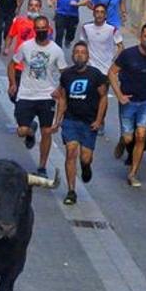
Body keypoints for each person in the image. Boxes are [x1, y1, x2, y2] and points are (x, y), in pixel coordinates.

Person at [108, 23, 146, 188]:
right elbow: (112, 72)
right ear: (140, 37)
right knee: (129, 137)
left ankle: (133, 173)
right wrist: (119, 95)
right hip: (128, 101)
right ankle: (123, 140)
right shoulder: (128, 55)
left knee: (141, 135)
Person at [7, 16, 67, 178]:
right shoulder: (26, 47)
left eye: (44, 29)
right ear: (35, 29)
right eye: (38, 29)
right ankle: (30, 130)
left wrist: (59, 90)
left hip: (46, 95)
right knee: (21, 131)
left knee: (47, 132)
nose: (41, 31)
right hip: (26, 94)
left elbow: (65, 74)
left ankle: (42, 167)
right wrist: (12, 83)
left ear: (48, 29)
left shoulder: (56, 51)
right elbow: (12, 64)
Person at [52, 42, 108, 205]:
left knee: (85, 157)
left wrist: (99, 120)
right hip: (71, 120)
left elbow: (103, 98)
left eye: (83, 52)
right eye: (76, 52)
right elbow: (62, 98)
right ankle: (71, 191)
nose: (79, 55)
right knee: (70, 152)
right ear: (72, 55)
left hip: (89, 122)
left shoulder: (96, 75)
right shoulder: (67, 75)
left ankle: (86, 166)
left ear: (88, 56)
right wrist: (58, 121)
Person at [78, 3, 123, 78]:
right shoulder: (86, 28)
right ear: (93, 13)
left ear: (105, 15)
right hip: (90, 66)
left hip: (106, 68)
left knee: (103, 89)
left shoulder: (112, 29)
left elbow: (120, 46)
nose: (99, 14)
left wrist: (114, 60)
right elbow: (82, 44)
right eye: (97, 12)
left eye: (102, 12)